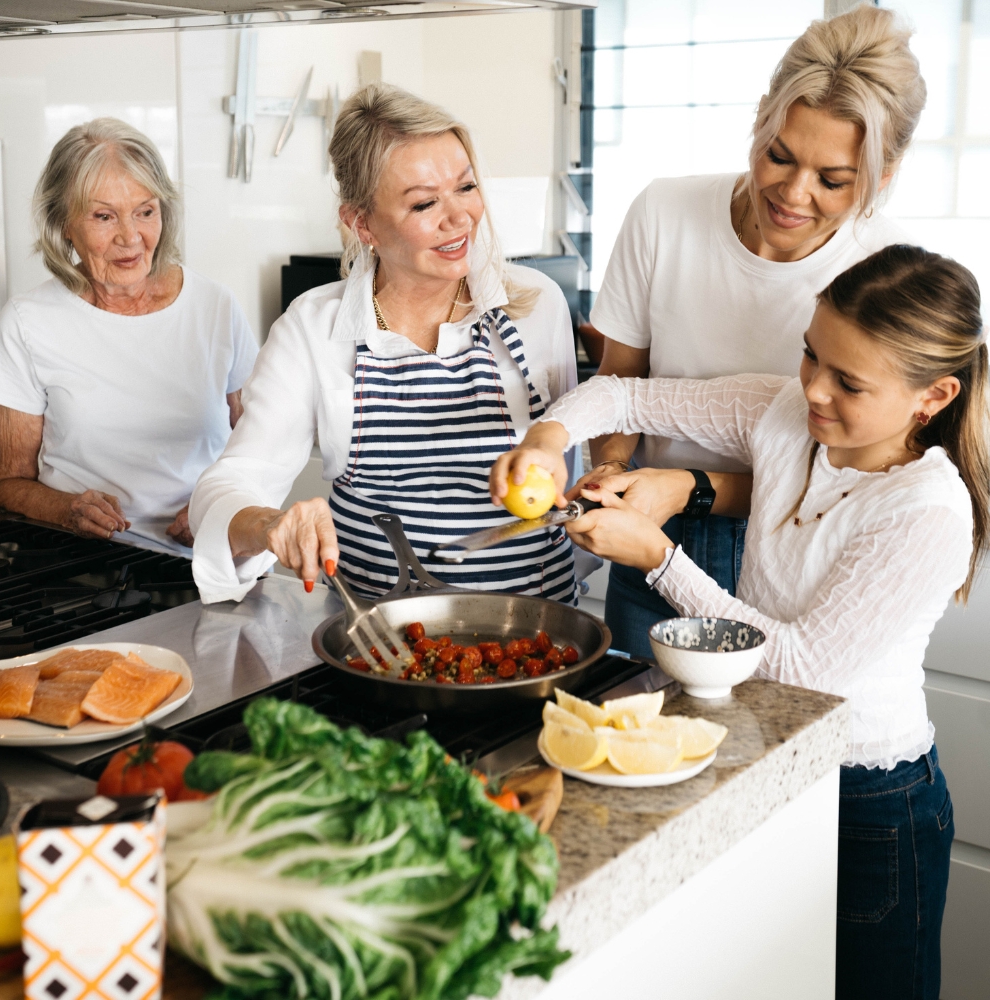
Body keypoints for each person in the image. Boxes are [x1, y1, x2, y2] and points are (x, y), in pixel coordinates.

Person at [492, 245, 988, 1000]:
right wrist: (546, 442)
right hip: (765, 760)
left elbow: (802, 670)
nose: (815, 390)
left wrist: (658, 556)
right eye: (810, 355)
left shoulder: (927, 511)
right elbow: (624, 397)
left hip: (872, 803)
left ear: (934, 395)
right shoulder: (787, 414)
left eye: (848, 381)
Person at [583, 5, 926, 656]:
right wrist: (613, 474)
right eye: (779, 155)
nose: (794, 195)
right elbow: (620, 381)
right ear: (762, 115)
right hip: (646, 531)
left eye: (832, 180)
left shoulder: (883, 273)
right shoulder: (664, 212)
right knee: (626, 742)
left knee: (760, 752)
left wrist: (687, 489)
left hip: (789, 554)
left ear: (883, 176)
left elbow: (845, 475)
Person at [189, 84, 578, 604]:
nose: (459, 217)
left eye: (465, 187)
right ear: (361, 223)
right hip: (377, 643)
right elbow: (228, 485)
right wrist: (272, 524)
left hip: (538, 633)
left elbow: (569, 468)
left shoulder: (538, 305)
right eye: (424, 203)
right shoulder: (312, 328)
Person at [0, 118, 257, 554]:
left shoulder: (215, 307)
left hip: (211, 560)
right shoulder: (27, 322)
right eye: (103, 216)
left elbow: (262, 447)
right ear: (64, 224)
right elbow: (3, 482)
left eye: (145, 211)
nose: (130, 237)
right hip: (84, 569)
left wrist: (223, 505)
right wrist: (66, 509)